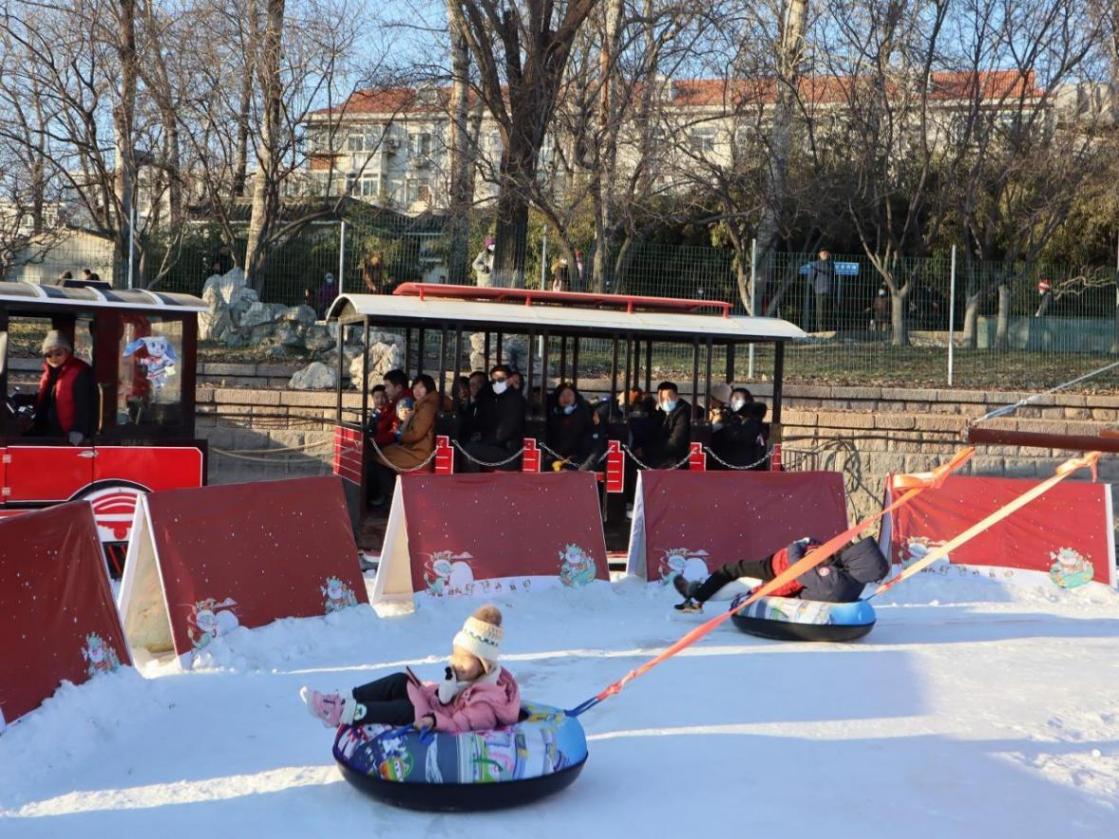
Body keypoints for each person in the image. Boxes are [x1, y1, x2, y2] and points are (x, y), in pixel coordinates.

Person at [300, 604, 520, 733]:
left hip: (431, 717)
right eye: (455, 655)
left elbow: (459, 727)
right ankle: (341, 699)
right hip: (430, 704)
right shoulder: (467, 678)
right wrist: (437, 688)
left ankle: (342, 714)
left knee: (403, 709)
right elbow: (444, 698)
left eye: (465, 659)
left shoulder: (485, 703)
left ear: (485, 665)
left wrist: (434, 721)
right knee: (399, 680)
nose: (456, 662)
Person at [674, 536, 890, 613]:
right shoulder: (850, 577)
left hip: (776, 569)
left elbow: (797, 572)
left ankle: (696, 599)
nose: (849, 545)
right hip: (778, 564)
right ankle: (699, 590)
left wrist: (798, 544)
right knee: (734, 574)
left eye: (853, 546)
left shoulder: (833, 577)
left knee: (732, 571)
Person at [369, 375, 440, 506]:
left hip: (419, 454)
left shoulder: (427, 407)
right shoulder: (421, 404)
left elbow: (416, 433)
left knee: (378, 456)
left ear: (428, 388)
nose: (417, 391)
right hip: (416, 449)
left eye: (421, 387)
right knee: (384, 452)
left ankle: (391, 496)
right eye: (415, 388)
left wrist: (401, 435)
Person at [27, 331, 97, 445]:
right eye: (49, 355)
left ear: (67, 352)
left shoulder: (79, 372)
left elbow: (85, 404)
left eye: (58, 353)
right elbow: (47, 398)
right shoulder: (50, 372)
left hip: (65, 433)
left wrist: (78, 430)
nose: (53, 358)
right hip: (45, 428)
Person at [460, 364, 525, 472]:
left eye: (501, 379)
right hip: (495, 446)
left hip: (508, 452)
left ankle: (472, 484)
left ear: (509, 380)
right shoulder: (493, 398)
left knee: (470, 449)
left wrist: (482, 442)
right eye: (494, 380)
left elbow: (503, 433)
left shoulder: (514, 400)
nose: (497, 383)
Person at [710, 386, 766, 469]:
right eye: (732, 398)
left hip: (744, 465)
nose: (734, 402)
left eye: (737, 398)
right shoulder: (730, 418)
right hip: (723, 464)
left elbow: (736, 436)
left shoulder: (752, 422)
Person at [545, 383, 592, 469]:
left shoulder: (583, 414)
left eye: (569, 395)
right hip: (554, 457)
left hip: (576, 459)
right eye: (562, 395)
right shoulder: (552, 413)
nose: (566, 398)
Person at [647, 381, 691, 469]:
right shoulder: (662, 412)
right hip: (663, 454)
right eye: (662, 399)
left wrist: (648, 451)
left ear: (676, 396)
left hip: (676, 459)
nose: (665, 401)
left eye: (668, 398)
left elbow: (676, 442)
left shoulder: (683, 412)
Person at [372, 369, 412, 449]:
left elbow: (397, 434)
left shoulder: (404, 404)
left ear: (399, 388)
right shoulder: (395, 403)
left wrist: (375, 440)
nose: (385, 390)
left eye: (387, 386)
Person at [807, 249, 835, 332]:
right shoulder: (816, 264)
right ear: (819, 254)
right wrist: (816, 287)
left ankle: (827, 330)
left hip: (829, 291)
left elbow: (834, 277)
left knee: (828, 312)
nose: (825, 254)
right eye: (823, 253)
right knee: (820, 313)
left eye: (826, 252)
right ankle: (821, 331)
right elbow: (811, 278)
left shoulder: (831, 264)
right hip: (819, 291)